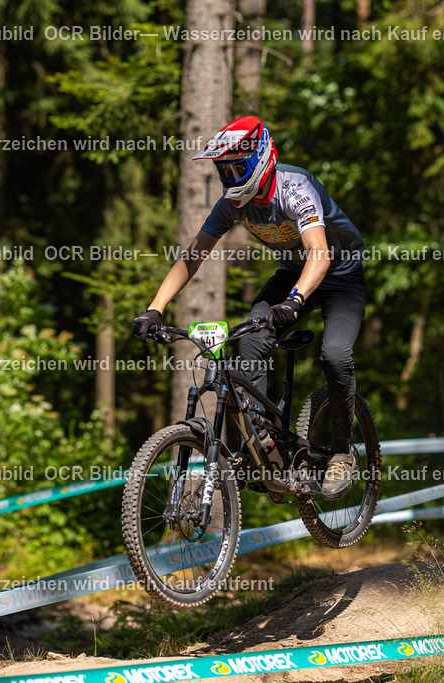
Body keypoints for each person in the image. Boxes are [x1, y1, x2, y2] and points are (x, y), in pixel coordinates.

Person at [131, 115, 366, 500]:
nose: (229, 177)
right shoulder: (231, 205)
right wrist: (154, 308)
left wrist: (294, 301)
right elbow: (193, 256)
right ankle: (263, 444)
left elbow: (320, 255)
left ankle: (342, 451)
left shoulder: (294, 186)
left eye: (236, 167)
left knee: (335, 355)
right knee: (251, 338)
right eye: (223, 170)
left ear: (260, 157)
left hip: (339, 272)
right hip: (294, 272)